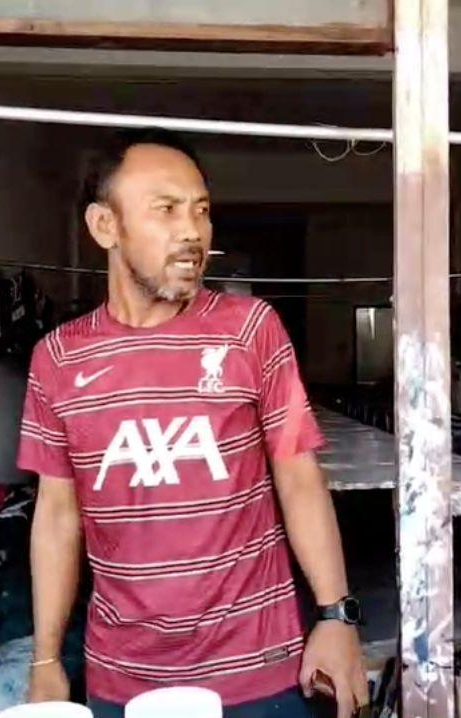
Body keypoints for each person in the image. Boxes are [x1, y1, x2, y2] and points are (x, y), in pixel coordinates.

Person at [18, 129, 367, 718]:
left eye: (201, 211)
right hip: (124, 679)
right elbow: (56, 516)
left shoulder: (252, 329)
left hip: (260, 672)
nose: (192, 231)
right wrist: (47, 659)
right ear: (105, 226)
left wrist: (336, 615)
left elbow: (299, 479)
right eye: (166, 209)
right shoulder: (57, 359)